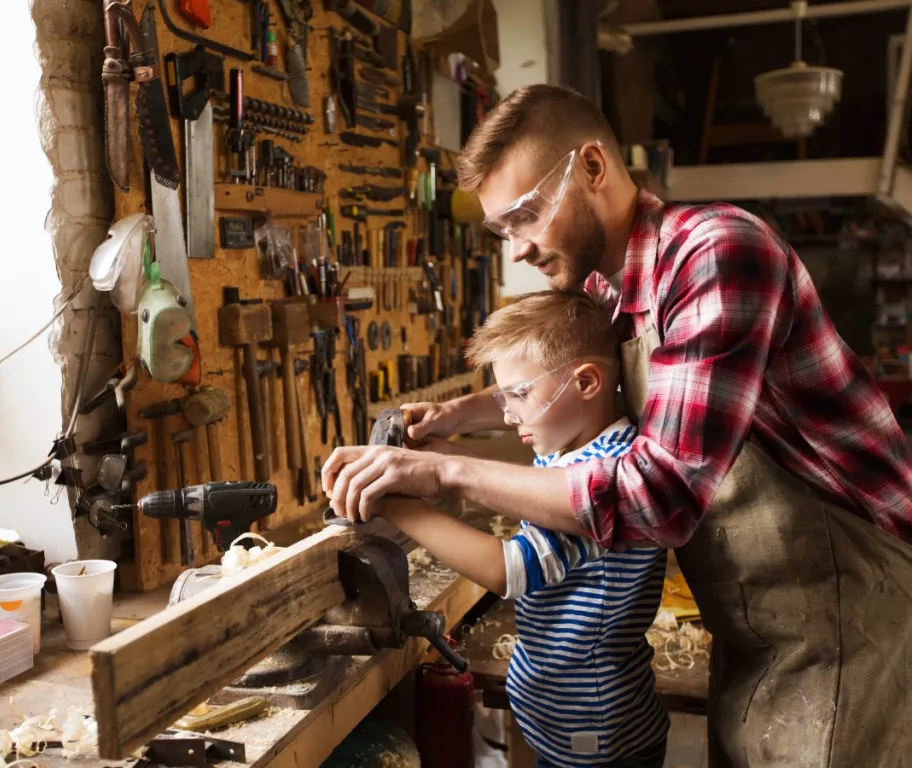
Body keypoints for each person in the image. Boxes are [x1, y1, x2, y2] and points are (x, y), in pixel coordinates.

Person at [321, 84, 912, 767]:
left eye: (526, 216)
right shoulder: (610, 289)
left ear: (593, 169)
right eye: (502, 230)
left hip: (845, 620)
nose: (517, 249)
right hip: (757, 630)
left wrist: (442, 470)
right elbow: (577, 377)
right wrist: (460, 415)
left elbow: (658, 497)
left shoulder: (713, 255)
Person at [379, 290, 668, 767]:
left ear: (587, 382)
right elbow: (523, 484)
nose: (508, 413)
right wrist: (428, 457)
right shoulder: (571, 446)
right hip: (560, 721)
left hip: (595, 734)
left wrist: (396, 507)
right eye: (503, 395)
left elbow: (508, 569)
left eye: (519, 394)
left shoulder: (604, 472)